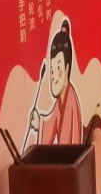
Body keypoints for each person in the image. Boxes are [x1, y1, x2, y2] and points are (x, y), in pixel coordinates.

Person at [26, 20, 83, 150]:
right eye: (52, 70)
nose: (54, 76)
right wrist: (39, 122)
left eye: (58, 68)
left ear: (67, 68)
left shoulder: (70, 102)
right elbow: (51, 123)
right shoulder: (61, 101)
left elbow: (69, 148)